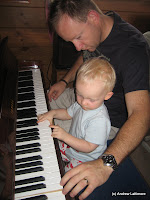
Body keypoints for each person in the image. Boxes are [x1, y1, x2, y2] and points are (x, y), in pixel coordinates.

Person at [47, 0, 150, 199]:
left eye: (78, 38)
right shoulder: (98, 28)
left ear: (93, 18)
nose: (77, 47)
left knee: (46, 142)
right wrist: (64, 80)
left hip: (104, 119)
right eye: (72, 41)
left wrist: (105, 164)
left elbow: (142, 115)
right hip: (80, 98)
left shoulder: (133, 49)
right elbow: (87, 55)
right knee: (38, 112)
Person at [38, 57, 116, 172]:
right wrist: (53, 113)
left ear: (107, 96)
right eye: (79, 95)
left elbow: (88, 147)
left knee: (64, 174)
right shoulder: (82, 103)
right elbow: (67, 113)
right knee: (49, 147)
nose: (83, 102)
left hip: (84, 159)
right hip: (72, 147)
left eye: (91, 99)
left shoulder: (99, 120)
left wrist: (65, 136)